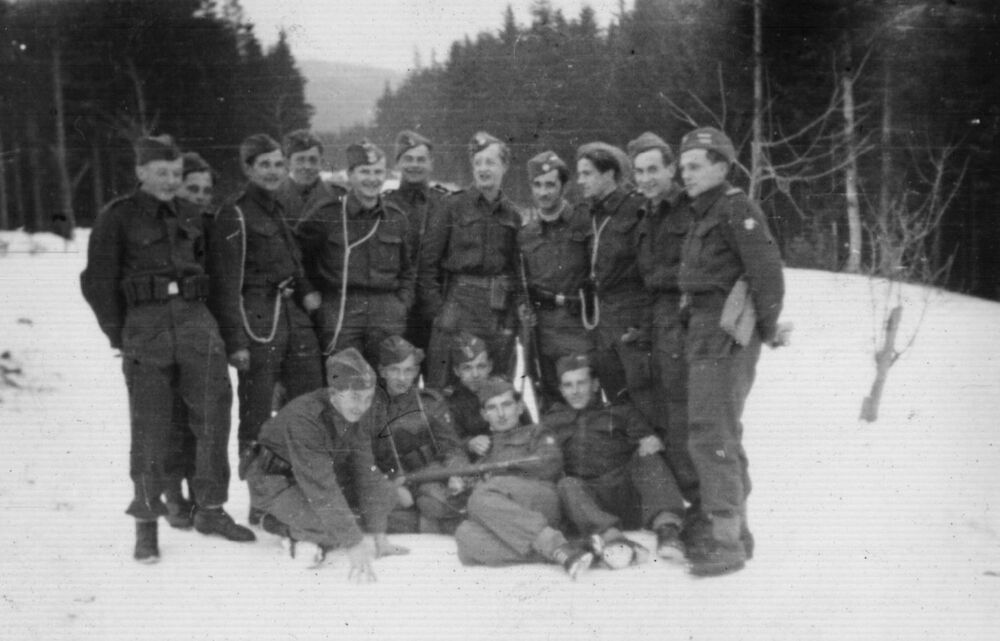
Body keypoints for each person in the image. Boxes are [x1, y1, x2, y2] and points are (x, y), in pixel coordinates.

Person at [81, 135, 254, 563]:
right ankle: (146, 524)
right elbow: (96, 283)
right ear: (141, 172)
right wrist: (120, 334)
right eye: (162, 173)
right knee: (150, 429)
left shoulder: (197, 216)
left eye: (176, 174)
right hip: (147, 328)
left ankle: (211, 509)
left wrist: (229, 337)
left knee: (213, 416)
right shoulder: (117, 218)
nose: (170, 181)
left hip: (198, 324)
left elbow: (222, 281)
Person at [676, 126, 786, 576]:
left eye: (695, 166)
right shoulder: (706, 211)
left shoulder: (734, 208)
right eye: (683, 167)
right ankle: (735, 528)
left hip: (725, 334)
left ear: (722, 166)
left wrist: (763, 328)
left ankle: (725, 542)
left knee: (710, 434)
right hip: (705, 332)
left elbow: (768, 275)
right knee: (719, 431)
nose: (686, 175)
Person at [207, 134, 324, 522]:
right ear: (248, 169)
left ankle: (296, 492)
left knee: (304, 406)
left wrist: (306, 292)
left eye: (278, 164)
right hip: (259, 325)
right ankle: (261, 501)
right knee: (258, 415)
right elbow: (225, 283)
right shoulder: (235, 214)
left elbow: (292, 261)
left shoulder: (276, 209)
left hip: (291, 319)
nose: (274, 172)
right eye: (265, 165)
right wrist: (235, 342)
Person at [245, 348, 409, 577]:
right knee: (337, 529)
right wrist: (353, 543)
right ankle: (270, 520)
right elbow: (321, 488)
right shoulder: (305, 418)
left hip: (315, 478)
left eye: (368, 398)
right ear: (334, 392)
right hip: (274, 481)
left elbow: (365, 471)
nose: (362, 405)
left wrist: (380, 536)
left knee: (384, 495)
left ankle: (311, 524)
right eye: (354, 396)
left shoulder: (359, 412)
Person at [546, 354, 687, 569]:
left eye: (581, 383)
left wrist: (649, 442)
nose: (575, 391)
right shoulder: (552, 422)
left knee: (647, 458)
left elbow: (650, 441)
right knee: (567, 484)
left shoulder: (619, 412)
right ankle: (612, 537)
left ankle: (668, 530)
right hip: (590, 502)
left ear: (594, 385)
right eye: (568, 385)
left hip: (628, 495)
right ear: (561, 389)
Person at [454, 377, 593, 579]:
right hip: (513, 518)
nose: (501, 414)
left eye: (507, 405)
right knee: (464, 537)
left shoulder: (536, 432)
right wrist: (461, 483)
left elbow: (550, 464)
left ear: (519, 408)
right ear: (484, 415)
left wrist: (498, 477)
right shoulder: (485, 450)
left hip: (542, 500)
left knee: (482, 494)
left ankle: (554, 544)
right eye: (492, 408)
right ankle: (567, 552)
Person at [628, 132, 701, 515]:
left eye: (653, 170)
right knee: (662, 417)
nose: (645, 179)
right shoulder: (646, 214)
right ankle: (683, 505)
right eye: (638, 172)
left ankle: (709, 509)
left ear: (671, 169)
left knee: (686, 420)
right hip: (656, 325)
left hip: (684, 322)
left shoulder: (690, 210)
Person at [419, 131, 522, 387]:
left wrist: (511, 318)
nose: (483, 169)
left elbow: (518, 272)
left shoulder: (512, 214)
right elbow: (427, 264)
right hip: (457, 307)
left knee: (495, 384)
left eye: (490, 162)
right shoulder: (451, 206)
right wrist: (437, 311)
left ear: (505, 166)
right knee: (444, 384)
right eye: (478, 163)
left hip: (496, 310)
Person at [298, 141, 415, 362]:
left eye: (378, 172)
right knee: (346, 380)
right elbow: (297, 256)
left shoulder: (396, 217)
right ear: (350, 175)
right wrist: (307, 291)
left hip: (386, 309)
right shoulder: (328, 214)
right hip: (342, 306)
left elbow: (408, 269)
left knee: (387, 378)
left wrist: (402, 304)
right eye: (365, 172)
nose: (372, 179)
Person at [575, 142, 656, 420]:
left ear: (609, 174)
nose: (580, 181)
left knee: (643, 396)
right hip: (603, 318)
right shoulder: (590, 213)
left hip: (631, 316)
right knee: (616, 397)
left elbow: (650, 272)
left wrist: (644, 325)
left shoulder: (637, 208)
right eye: (579, 174)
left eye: (587, 174)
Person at [161, 150, 218, 528]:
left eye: (206, 189)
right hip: (160, 331)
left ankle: (201, 493)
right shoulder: (155, 224)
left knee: (204, 416)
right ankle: (172, 494)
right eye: (191, 188)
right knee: (169, 417)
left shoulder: (213, 224)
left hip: (202, 329)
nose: (199, 195)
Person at [517, 151, 594, 412]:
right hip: (543, 333)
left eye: (550, 184)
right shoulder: (526, 234)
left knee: (585, 404)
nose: (544, 192)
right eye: (537, 185)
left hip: (578, 328)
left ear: (563, 186)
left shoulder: (584, 223)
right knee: (551, 408)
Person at [371, 335, 468, 534]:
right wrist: (388, 484)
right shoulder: (369, 408)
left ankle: (424, 520)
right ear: (382, 371)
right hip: (393, 483)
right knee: (371, 510)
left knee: (435, 501)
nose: (402, 377)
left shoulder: (429, 402)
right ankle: (434, 522)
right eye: (394, 370)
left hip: (430, 477)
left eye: (408, 370)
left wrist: (456, 473)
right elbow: (362, 458)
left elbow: (452, 448)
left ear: (416, 371)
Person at [383, 131, 450, 361]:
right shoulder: (384, 205)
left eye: (421, 159)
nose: (414, 165)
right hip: (397, 312)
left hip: (436, 312)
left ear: (431, 163)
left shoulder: (445, 204)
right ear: (397, 163)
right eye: (408, 159)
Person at [442, 331, 531, 460]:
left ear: (490, 366)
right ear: (456, 371)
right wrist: (469, 443)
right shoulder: (450, 401)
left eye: (481, 366)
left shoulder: (505, 390)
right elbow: (447, 444)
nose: (475, 374)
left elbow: (529, 427)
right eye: (467, 368)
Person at [276, 129, 346, 229]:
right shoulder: (275, 196)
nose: (307, 166)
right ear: (287, 163)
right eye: (300, 160)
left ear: (321, 163)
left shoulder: (337, 196)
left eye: (313, 160)